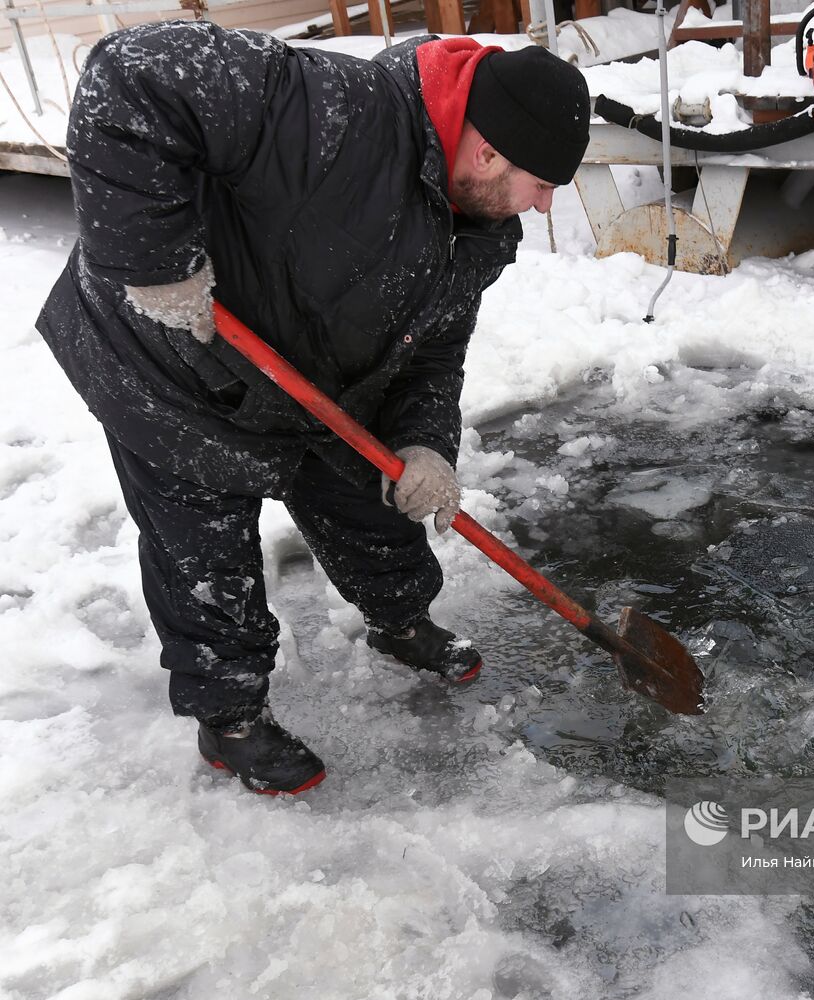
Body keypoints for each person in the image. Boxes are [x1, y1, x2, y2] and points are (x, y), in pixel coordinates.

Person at [35, 22, 591, 795]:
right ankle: (231, 720)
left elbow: (433, 352)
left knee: (369, 489)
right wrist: (153, 263)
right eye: (542, 182)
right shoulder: (336, 110)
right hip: (167, 351)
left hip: (312, 369)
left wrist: (426, 444)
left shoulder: (484, 230)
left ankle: (400, 621)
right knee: (205, 547)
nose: (545, 204)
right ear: (489, 150)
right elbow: (131, 74)